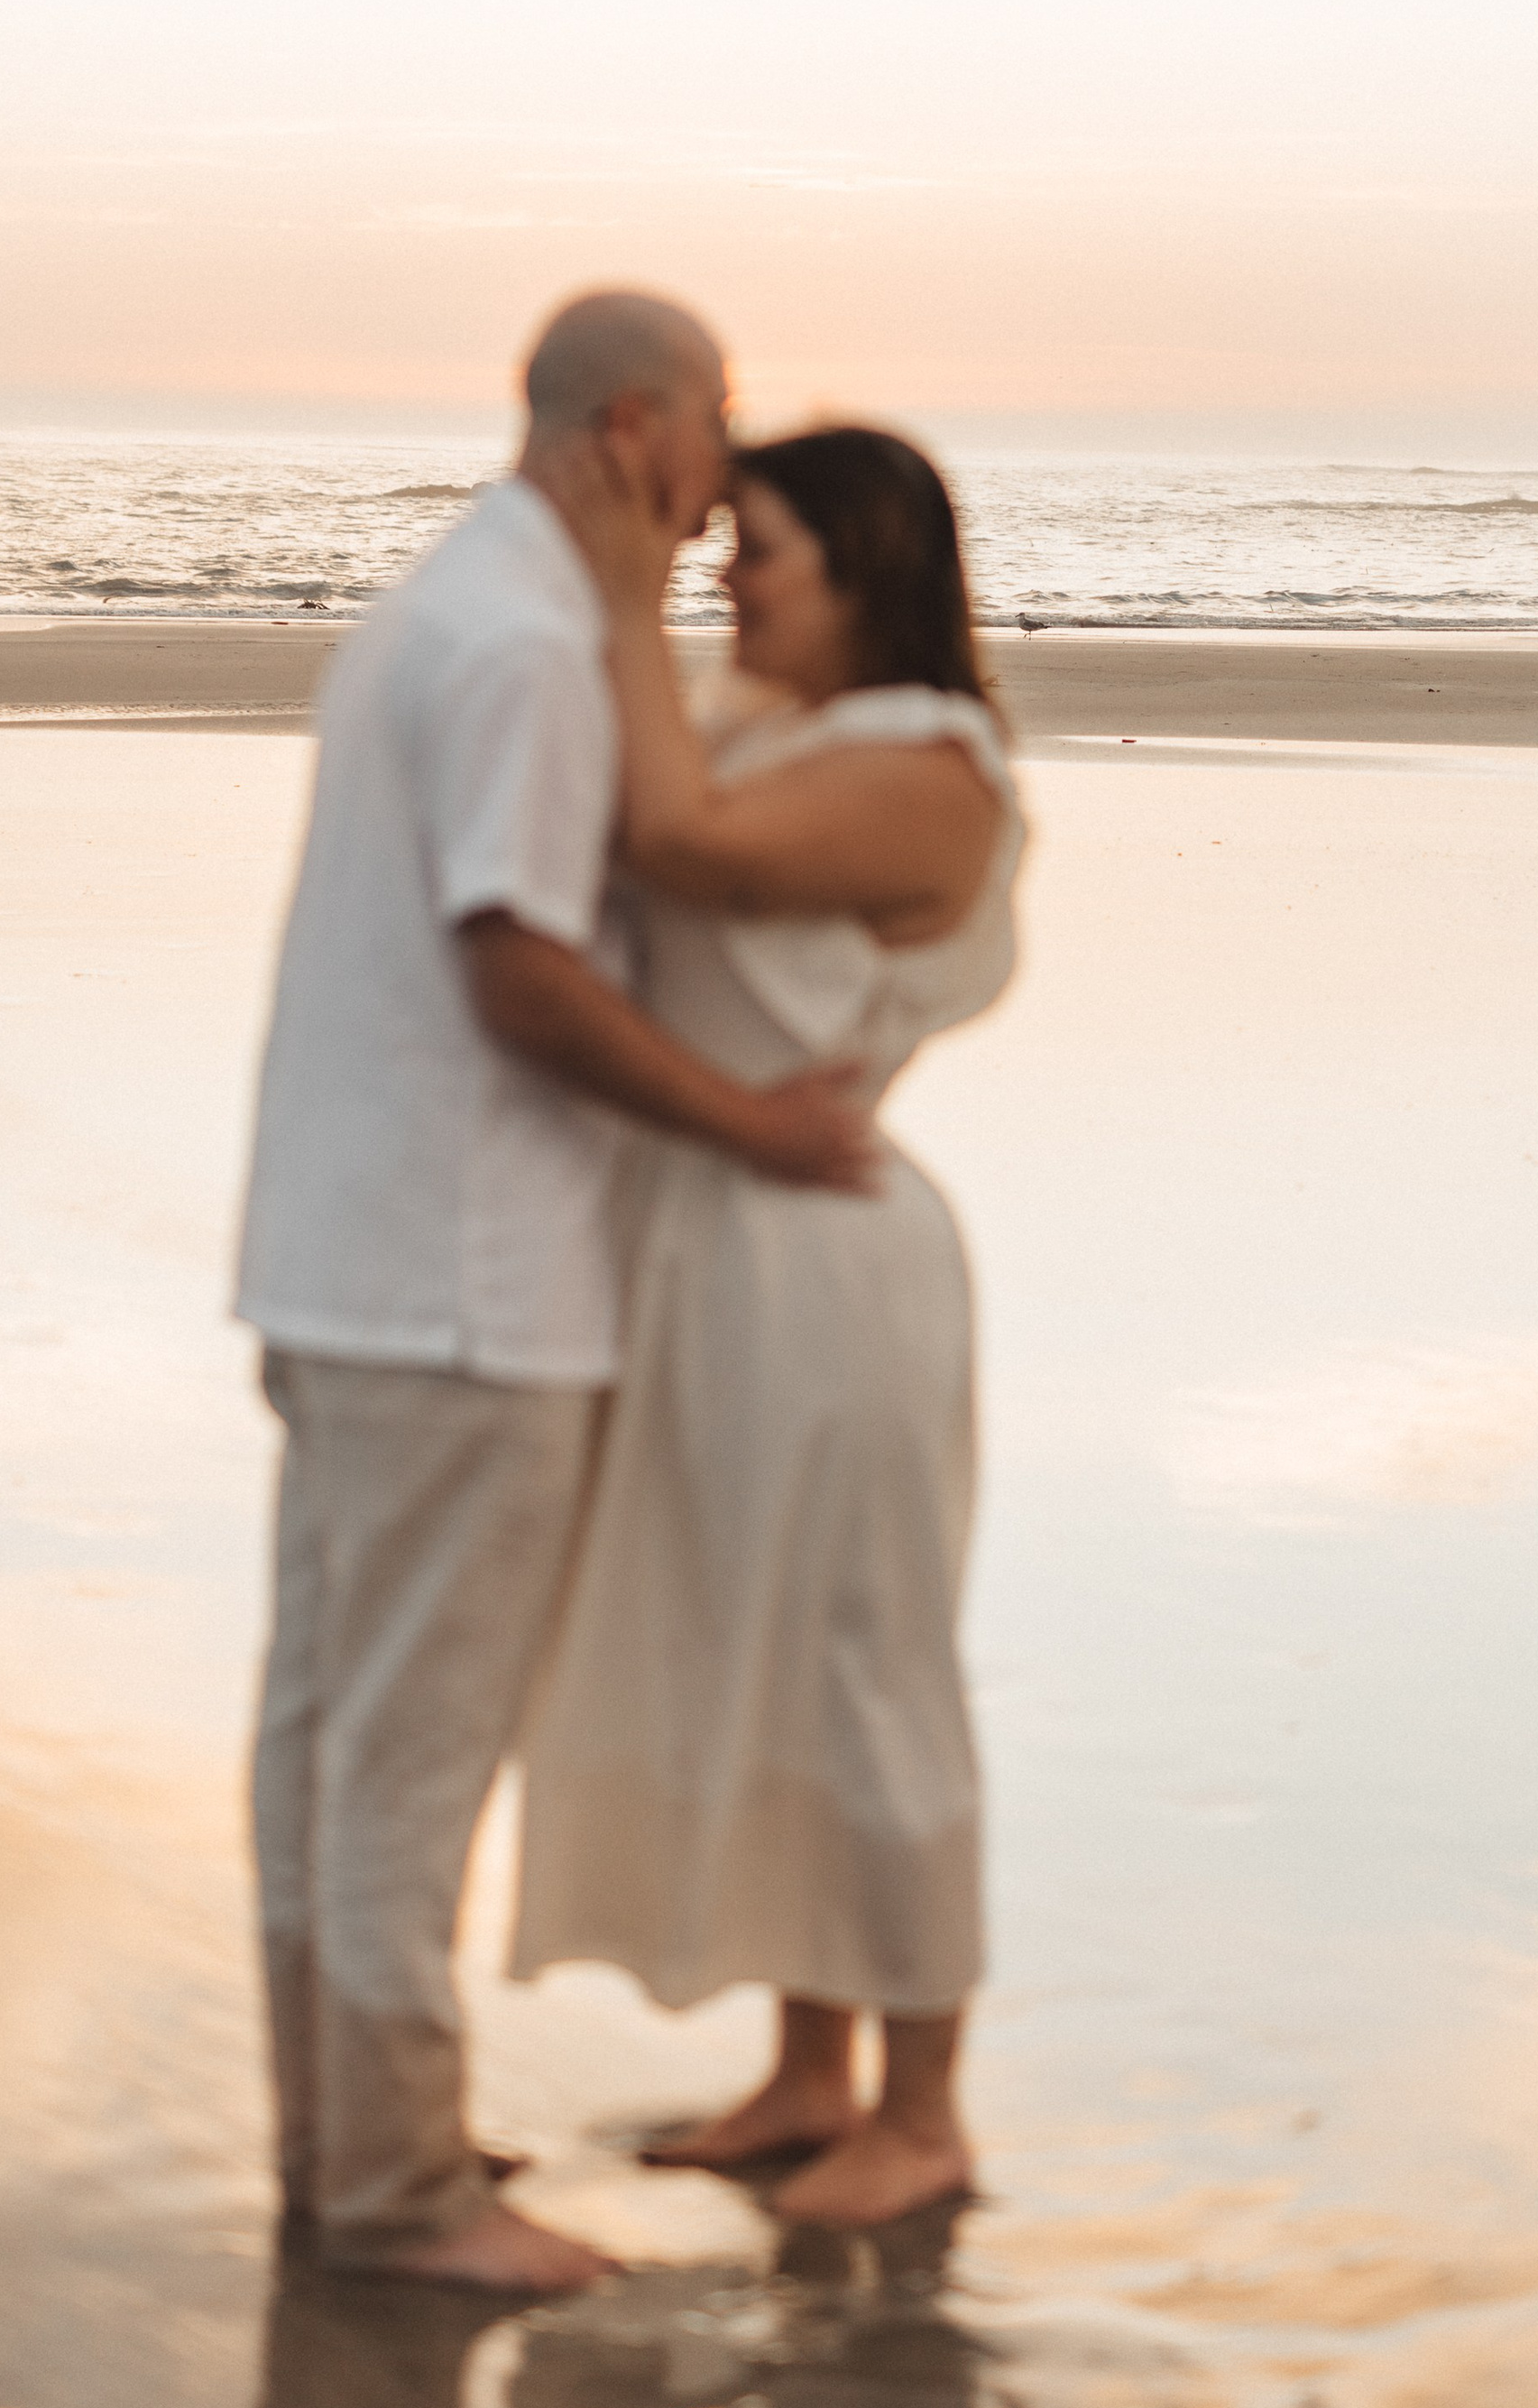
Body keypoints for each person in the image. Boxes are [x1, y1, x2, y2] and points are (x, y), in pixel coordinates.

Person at [235, 292, 877, 2292]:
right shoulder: (520, 645)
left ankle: (350, 2137)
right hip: (458, 1286)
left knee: (328, 1739)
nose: (717, 489)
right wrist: (743, 1129)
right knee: (403, 1759)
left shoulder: (450, 600)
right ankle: (401, 2195)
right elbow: (520, 968)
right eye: (710, 435)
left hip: (344, 1262)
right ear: (628, 425)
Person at [511, 424, 1024, 2228]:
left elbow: (680, 843)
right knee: (760, 1650)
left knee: (869, 1670)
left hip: (824, 1255)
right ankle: (810, 2072)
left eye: (763, 550)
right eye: (721, 549)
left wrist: (625, 584)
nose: (729, 581)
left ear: (869, 567)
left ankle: (927, 2106)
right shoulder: (764, 721)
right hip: (708, 1243)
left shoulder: (926, 765)